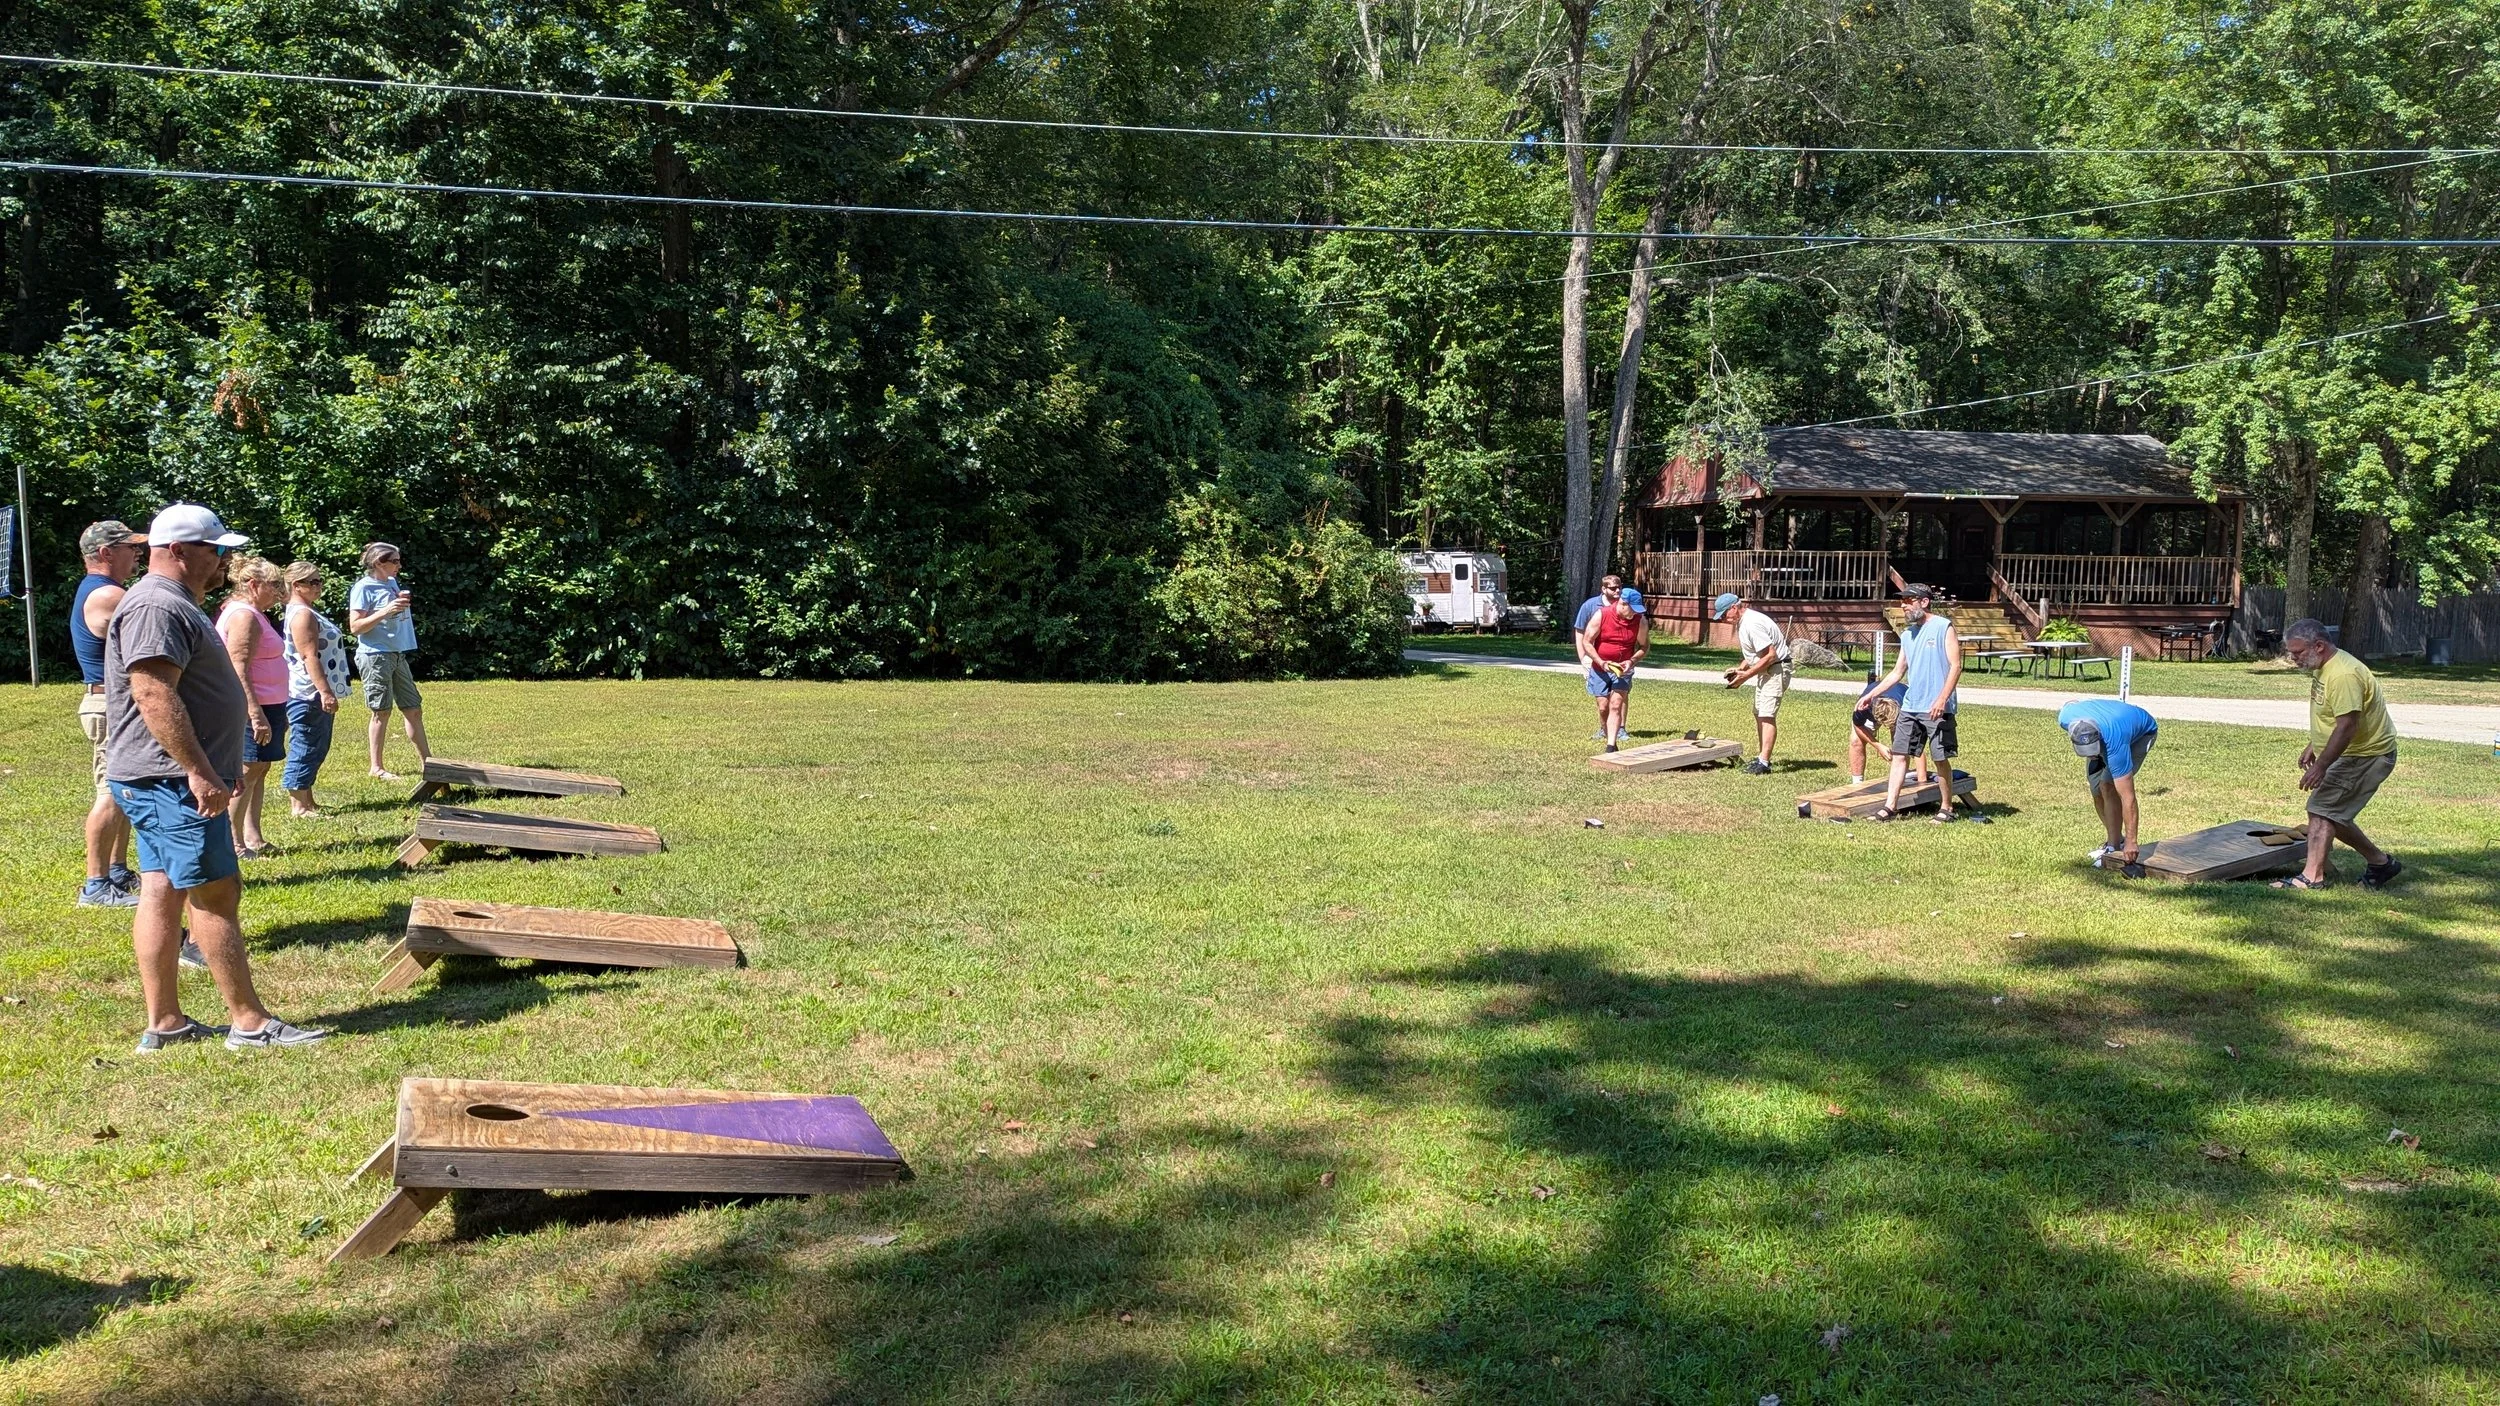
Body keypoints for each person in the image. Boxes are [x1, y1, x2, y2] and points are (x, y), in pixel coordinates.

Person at [103, 503, 328, 1051]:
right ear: (177, 550)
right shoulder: (157, 604)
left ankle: (166, 1023)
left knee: (161, 888)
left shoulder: (175, 602)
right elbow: (153, 692)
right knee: (215, 892)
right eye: (214, 549)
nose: (223, 560)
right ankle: (248, 1023)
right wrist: (198, 771)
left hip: (160, 778)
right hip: (170, 780)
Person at [2273, 617, 2401, 891]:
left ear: (2318, 645)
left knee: (2320, 810)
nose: (2293, 659)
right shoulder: (2324, 666)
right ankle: (2380, 863)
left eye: (2297, 653)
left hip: (2366, 755)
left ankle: (2312, 877)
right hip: (2352, 753)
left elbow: (2347, 726)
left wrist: (2321, 765)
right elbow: (2332, 715)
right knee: (2334, 814)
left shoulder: (2343, 674)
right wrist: (2314, 743)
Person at [70, 520, 146, 907]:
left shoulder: (103, 590)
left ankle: (117, 871)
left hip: (115, 703)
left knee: (124, 790)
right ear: (105, 553)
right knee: (110, 794)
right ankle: (95, 885)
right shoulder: (110, 595)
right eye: (130, 547)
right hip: (109, 704)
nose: (138, 553)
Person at [1855, 583, 1962, 823]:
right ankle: (1889, 807)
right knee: (1900, 754)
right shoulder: (1907, 635)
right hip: (1911, 706)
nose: (1903, 605)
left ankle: (1947, 808)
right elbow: (1897, 673)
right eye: (1901, 601)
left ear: (1924, 602)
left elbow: (1956, 666)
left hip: (1937, 707)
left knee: (1940, 757)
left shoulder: (1943, 627)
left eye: (1908, 601)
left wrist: (1942, 699)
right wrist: (1871, 694)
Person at [215, 555, 290, 858]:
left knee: (259, 768)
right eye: (275, 585)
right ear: (253, 584)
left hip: (269, 702)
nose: (280, 592)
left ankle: (252, 836)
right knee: (246, 771)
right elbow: (238, 667)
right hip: (253, 706)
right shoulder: (244, 616)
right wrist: (255, 713)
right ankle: (232, 842)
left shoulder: (253, 613)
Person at [347, 541, 430, 779]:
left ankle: (428, 762)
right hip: (375, 656)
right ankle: (376, 767)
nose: (399, 565)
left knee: (413, 708)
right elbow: (355, 627)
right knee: (381, 712)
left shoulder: (392, 583)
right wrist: (385, 610)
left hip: (396, 653)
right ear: (378, 563)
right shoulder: (363, 588)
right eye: (394, 561)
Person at [2057, 698, 2158, 877]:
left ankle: (2113, 847)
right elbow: (2071, 703)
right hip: (2105, 726)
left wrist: (2132, 842)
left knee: (2108, 786)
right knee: (2096, 790)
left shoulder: (2115, 741)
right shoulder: (2065, 718)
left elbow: (2128, 797)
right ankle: (2116, 839)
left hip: (2142, 733)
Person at [279, 560, 349, 817]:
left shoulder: (306, 610)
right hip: (307, 692)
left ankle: (307, 799)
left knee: (317, 744)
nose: (319, 586)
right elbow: (310, 656)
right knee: (307, 744)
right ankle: (299, 805)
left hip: (311, 691)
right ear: (297, 585)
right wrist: (325, 692)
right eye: (313, 582)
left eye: (319, 580)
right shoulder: (302, 614)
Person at [1714, 593, 1790, 774]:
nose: (1724, 619)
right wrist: (1740, 669)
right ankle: (1761, 756)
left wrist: (1746, 676)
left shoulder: (1752, 623)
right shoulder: (1744, 622)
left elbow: (1771, 655)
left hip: (1776, 669)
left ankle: (1764, 763)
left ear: (1734, 607)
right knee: (1759, 713)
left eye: (1724, 614)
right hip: (1766, 671)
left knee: (1767, 715)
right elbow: (1755, 655)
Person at [1574, 575, 1649, 751]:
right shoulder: (1602, 615)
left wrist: (1632, 660)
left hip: (1623, 670)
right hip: (1600, 667)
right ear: (1623, 604)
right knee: (1604, 707)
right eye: (1633, 609)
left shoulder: (1640, 621)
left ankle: (1611, 745)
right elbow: (1586, 641)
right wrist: (1601, 662)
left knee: (1616, 704)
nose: (1635, 613)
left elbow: (1644, 646)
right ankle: (1605, 731)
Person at [1847, 672, 1929, 790]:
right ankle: (1856, 784)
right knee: (1855, 740)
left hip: (1901, 706)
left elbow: (1916, 746)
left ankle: (1903, 777)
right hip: (1873, 704)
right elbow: (1858, 725)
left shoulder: (1906, 708)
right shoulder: (1864, 706)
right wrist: (1878, 745)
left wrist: (1922, 784)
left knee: (1902, 743)